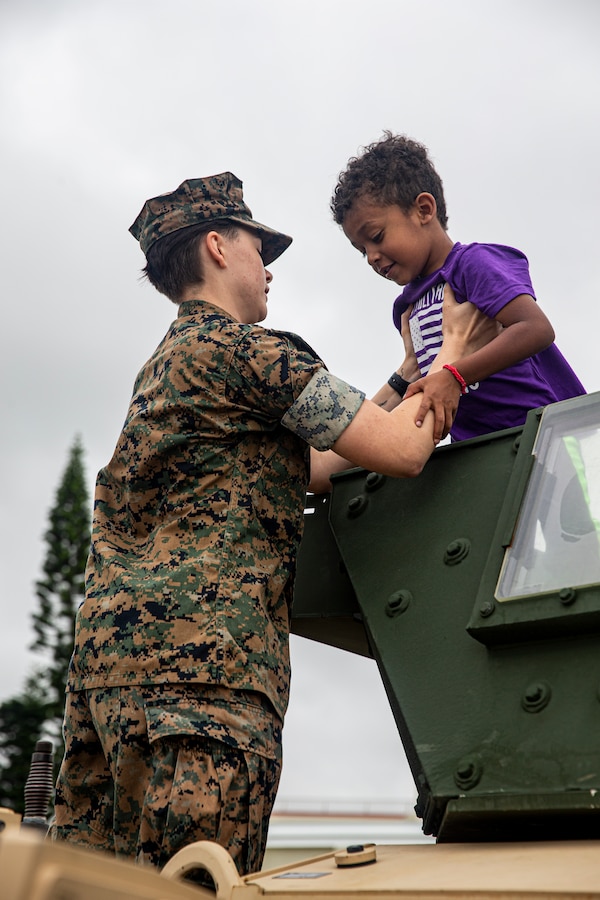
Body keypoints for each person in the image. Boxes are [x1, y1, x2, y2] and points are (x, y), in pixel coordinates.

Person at [51, 172, 480, 877]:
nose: (269, 266)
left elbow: (311, 464)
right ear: (219, 247)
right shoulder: (253, 354)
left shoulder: (167, 366)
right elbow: (402, 451)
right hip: (206, 685)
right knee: (195, 886)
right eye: (259, 247)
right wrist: (454, 358)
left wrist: (408, 373)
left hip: (107, 685)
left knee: (93, 887)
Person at [330, 132, 586, 442]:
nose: (371, 256)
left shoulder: (472, 264)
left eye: (377, 236)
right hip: (475, 450)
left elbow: (535, 328)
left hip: (542, 436)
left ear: (424, 209)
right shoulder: (405, 308)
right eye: (361, 249)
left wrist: (455, 377)